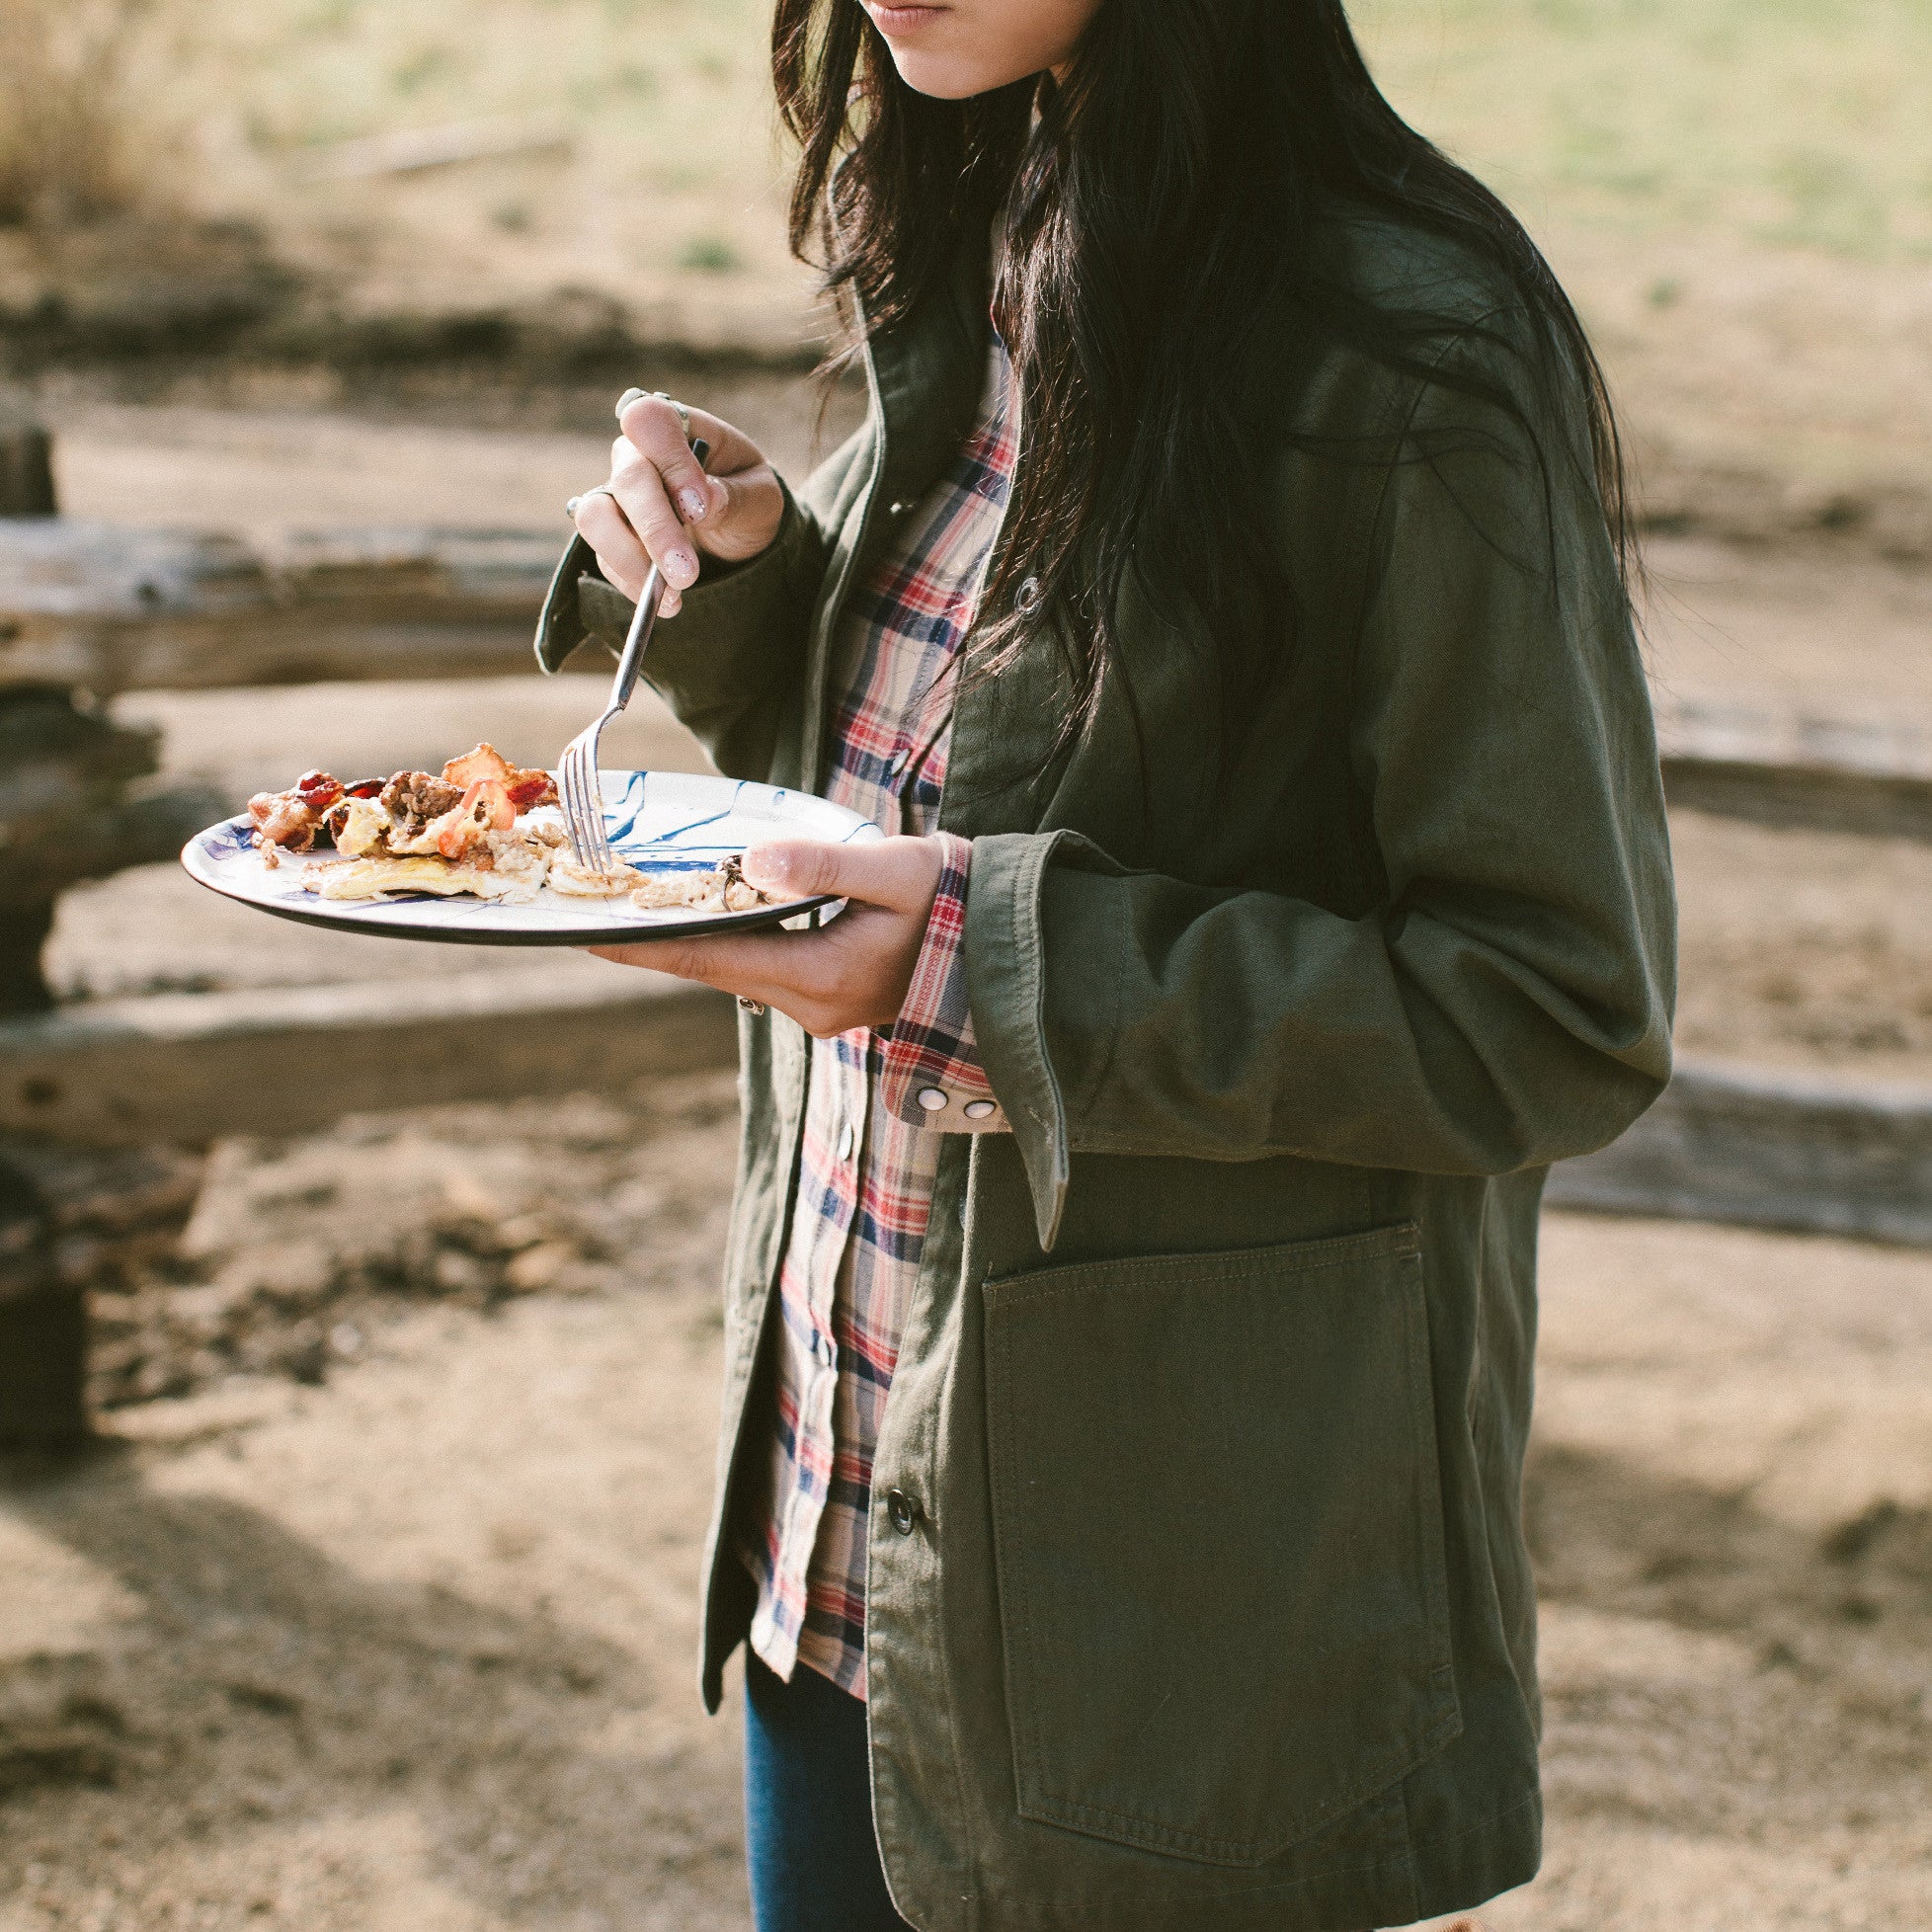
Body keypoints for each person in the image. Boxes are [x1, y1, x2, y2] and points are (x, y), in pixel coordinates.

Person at [537, 0, 1676, 1926]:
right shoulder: (984, 215)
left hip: (1179, 1637)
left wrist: (989, 971)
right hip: (840, 1528)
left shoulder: (1413, 345)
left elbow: (1551, 1012)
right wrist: (749, 588)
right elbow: (944, 785)